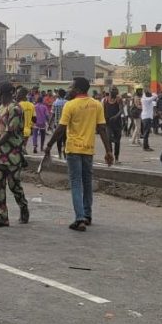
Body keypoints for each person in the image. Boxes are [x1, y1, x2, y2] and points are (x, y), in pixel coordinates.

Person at [44, 77, 113, 231]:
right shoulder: (96, 105)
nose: (69, 89)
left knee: (76, 183)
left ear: (78, 89)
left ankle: (79, 218)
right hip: (88, 149)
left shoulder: (70, 105)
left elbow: (61, 128)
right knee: (87, 182)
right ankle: (87, 215)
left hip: (73, 149)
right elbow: (102, 129)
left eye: (71, 87)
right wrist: (109, 151)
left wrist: (49, 145)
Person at [0, 82, 30, 228]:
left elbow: (9, 133)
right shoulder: (1, 108)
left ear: (2, 93)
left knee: (15, 186)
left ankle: (24, 208)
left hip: (12, 155)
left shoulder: (15, 109)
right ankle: (3, 217)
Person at [102, 88, 124, 162]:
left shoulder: (118, 100)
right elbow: (103, 110)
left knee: (117, 141)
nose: (114, 93)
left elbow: (121, 110)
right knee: (108, 140)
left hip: (117, 123)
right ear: (110, 92)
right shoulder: (105, 100)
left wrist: (115, 117)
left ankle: (116, 157)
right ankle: (110, 156)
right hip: (108, 123)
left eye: (115, 91)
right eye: (112, 91)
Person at [51, 90, 68, 158]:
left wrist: (49, 123)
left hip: (57, 123)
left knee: (59, 139)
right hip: (66, 124)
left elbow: (53, 114)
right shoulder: (67, 103)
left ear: (59, 94)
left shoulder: (55, 102)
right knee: (65, 139)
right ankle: (64, 152)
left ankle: (59, 154)